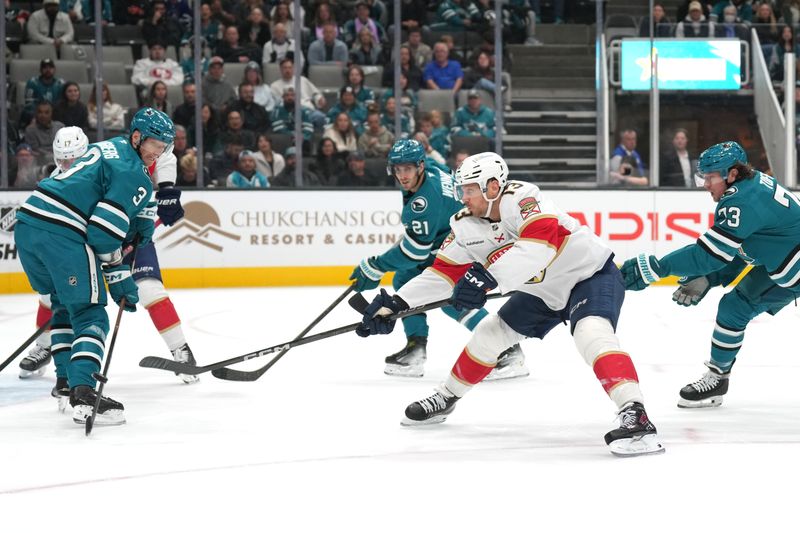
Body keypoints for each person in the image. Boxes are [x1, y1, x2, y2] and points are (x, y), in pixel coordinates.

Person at [356, 152, 663, 456]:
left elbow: (538, 249)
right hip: (542, 291)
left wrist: (485, 277)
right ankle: (446, 397)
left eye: (469, 190)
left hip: (589, 275)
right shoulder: (463, 224)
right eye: (462, 190)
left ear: (492, 187)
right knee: (490, 334)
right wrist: (397, 303)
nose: (463, 197)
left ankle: (636, 414)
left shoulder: (526, 199)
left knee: (591, 333)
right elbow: (442, 273)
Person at [13, 108, 175, 425]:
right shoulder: (135, 173)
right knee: (91, 314)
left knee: (62, 306)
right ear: (138, 136)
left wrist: (140, 217)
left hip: (28, 224)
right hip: (61, 232)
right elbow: (101, 235)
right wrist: (119, 278)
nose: (159, 151)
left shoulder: (108, 145)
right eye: (156, 143)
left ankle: (64, 384)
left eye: (165, 146)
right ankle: (85, 393)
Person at [620, 141, 800, 409]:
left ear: (732, 174)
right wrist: (711, 277)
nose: (705, 184)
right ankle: (717, 378)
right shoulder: (751, 185)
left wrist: (657, 268)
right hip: (787, 263)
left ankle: (718, 377)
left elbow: (708, 255)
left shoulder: (741, 200)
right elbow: (742, 248)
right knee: (733, 307)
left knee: (736, 306)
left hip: (792, 267)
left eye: (710, 177)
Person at [349, 141, 528, 379]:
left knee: (451, 299)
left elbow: (415, 253)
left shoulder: (424, 203)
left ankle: (507, 349)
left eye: (408, 169)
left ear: (420, 166)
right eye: (398, 169)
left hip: (464, 247)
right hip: (457, 240)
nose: (403, 176)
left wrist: (375, 266)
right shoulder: (432, 168)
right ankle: (416, 347)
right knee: (405, 278)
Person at [269, 58, 327, 129]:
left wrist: (319, 99)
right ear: (280, 69)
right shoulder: (274, 86)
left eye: (290, 67)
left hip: (308, 111)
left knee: (321, 118)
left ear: (293, 68)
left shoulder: (303, 80)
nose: (288, 70)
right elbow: (277, 104)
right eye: (285, 68)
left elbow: (315, 94)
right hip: (289, 114)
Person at [22, 59, 64, 128]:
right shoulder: (32, 82)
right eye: (45, 68)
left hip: (56, 115)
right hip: (37, 114)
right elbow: (29, 103)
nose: (48, 70)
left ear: (54, 69)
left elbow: (62, 103)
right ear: (40, 70)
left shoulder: (60, 83)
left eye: (50, 68)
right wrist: (35, 116)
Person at [25, 101, 64, 165]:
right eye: (40, 112)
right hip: (40, 162)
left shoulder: (60, 127)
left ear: (51, 114)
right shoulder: (30, 130)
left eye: (47, 112)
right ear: (36, 114)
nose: (43, 115)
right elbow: (35, 150)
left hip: (61, 161)